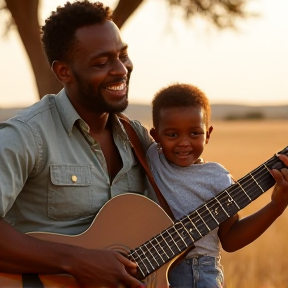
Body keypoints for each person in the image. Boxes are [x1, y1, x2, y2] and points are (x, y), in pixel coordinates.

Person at [0, 1, 153, 287]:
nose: (121, 70)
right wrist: (74, 261)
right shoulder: (26, 136)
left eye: (123, 55)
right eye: (101, 62)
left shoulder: (138, 139)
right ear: (63, 72)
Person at [146, 83, 288, 288]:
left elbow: (230, 239)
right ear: (155, 135)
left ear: (208, 133)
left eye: (194, 133)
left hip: (198, 275)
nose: (184, 142)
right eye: (172, 135)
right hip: (151, 275)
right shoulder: (150, 159)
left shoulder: (217, 177)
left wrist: (276, 206)